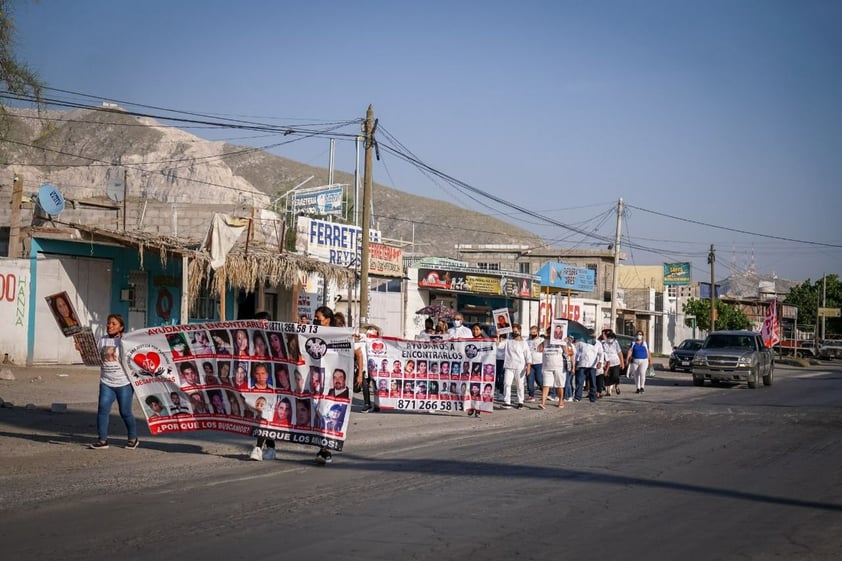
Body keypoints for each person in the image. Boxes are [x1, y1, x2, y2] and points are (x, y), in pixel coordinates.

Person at [312, 305, 338, 465]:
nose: (315, 321)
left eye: (318, 318)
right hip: (315, 381)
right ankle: (322, 447)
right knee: (316, 413)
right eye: (315, 318)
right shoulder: (311, 333)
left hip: (331, 383)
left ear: (327, 320)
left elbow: (355, 352)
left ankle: (325, 449)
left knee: (326, 413)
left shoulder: (338, 334)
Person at [499, 324, 531, 410]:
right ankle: (507, 402)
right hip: (509, 366)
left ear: (519, 331)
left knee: (520, 385)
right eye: (513, 331)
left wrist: (528, 366)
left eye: (516, 331)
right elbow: (498, 345)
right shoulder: (508, 341)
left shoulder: (524, 343)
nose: (514, 332)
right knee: (507, 383)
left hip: (520, 367)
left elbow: (528, 355)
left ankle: (520, 402)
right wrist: (498, 335)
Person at [540, 335, 566, 409]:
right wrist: (544, 340)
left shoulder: (561, 341)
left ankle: (560, 401)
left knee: (559, 385)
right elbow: (539, 349)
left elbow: (566, 351)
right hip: (547, 366)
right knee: (545, 385)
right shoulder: (545, 341)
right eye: (548, 332)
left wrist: (564, 342)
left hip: (558, 366)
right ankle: (543, 403)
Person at [601, 330, 625, 396]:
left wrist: (622, 363)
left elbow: (620, 353)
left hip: (616, 362)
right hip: (606, 363)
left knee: (615, 376)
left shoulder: (615, 343)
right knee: (607, 377)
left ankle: (616, 386)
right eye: (609, 337)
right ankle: (608, 391)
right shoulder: (603, 343)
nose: (610, 339)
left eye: (611, 338)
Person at [525, 325, 545, 402]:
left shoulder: (541, 340)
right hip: (530, 363)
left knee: (539, 379)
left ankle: (546, 391)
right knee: (530, 380)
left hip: (539, 363)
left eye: (534, 332)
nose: (532, 334)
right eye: (531, 332)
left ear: (537, 332)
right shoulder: (527, 341)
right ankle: (531, 395)